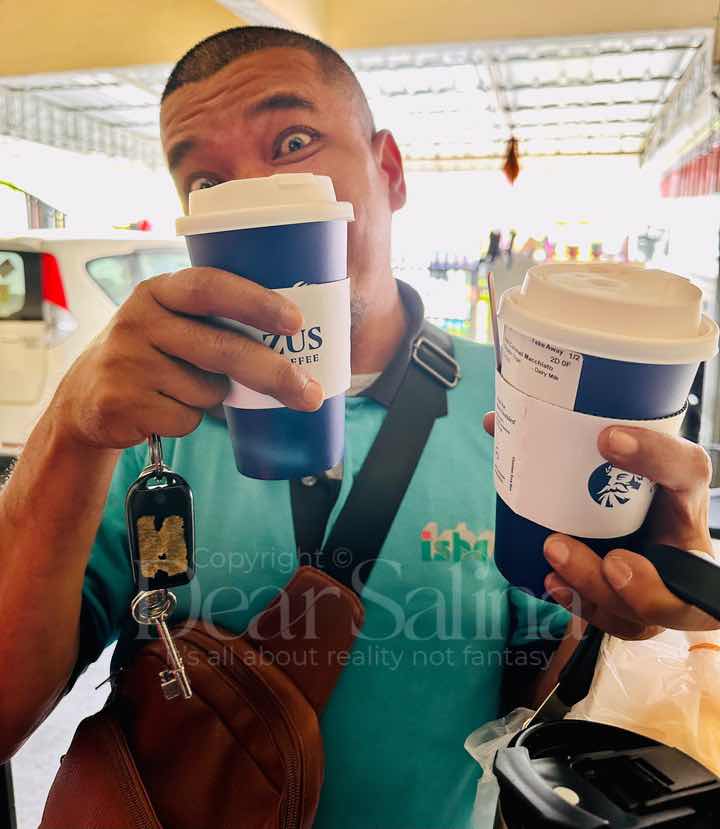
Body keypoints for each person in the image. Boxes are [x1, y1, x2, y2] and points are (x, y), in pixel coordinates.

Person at [1, 26, 717, 828]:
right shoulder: (150, 420)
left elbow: (542, 699)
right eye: (206, 178)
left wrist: (631, 606)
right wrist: (67, 433)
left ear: (389, 171)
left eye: (293, 141)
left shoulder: (514, 402)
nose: (254, 194)